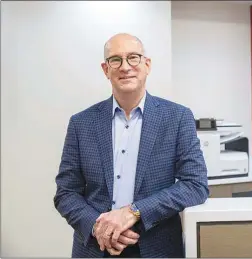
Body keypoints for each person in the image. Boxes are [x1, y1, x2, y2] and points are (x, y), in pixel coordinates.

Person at [53, 33, 209, 258]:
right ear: (105, 69)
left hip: (157, 248)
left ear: (147, 65)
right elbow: (66, 193)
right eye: (115, 60)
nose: (125, 67)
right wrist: (99, 227)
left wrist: (134, 212)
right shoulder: (81, 123)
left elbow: (195, 185)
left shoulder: (177, 118)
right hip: (96, 248)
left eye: (133, 57)